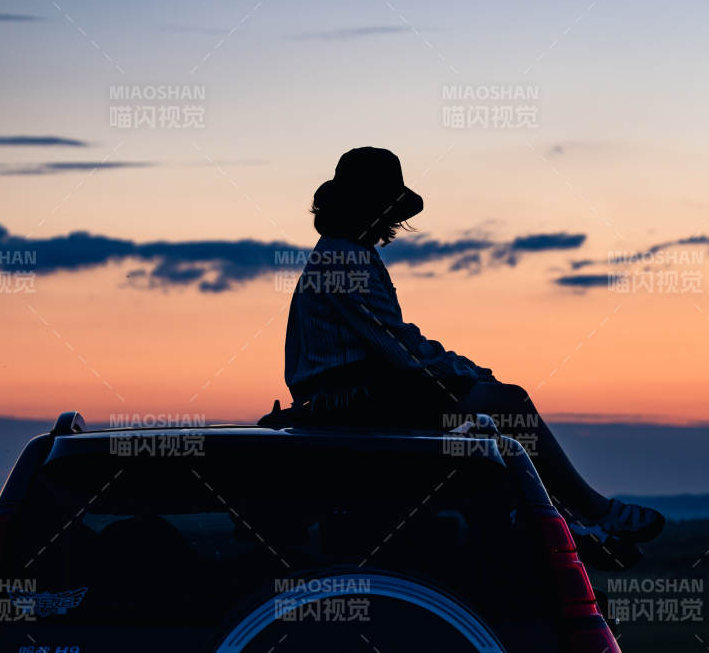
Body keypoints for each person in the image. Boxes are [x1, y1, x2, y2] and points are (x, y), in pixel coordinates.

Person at [279, 146, 665, 546]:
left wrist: (464, 375)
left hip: (356, 395)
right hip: (354, 400)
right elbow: (401, 349)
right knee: (509, 403)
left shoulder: (344, 255)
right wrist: (469, 373)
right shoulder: (344, 260)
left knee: (491, 420)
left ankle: (562, 520)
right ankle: (589, 512)